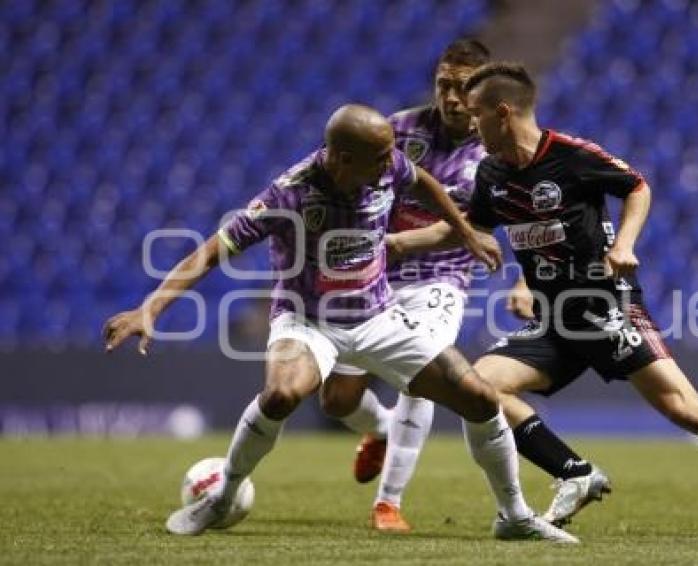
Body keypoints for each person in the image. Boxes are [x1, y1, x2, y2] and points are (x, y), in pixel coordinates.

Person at [389, 63, 698, 543]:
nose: (469, 124)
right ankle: (575, 472)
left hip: (603, 305)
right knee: (481, 387)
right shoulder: (492, 173)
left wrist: (624, 244)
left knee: (687, 409)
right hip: (552, 317)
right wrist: (397, 244)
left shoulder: (573, 156)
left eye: (476, 114)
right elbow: (465, 226)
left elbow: (637, 186)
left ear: (503, 112)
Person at [102, 103, 576, 543]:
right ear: (343, 159)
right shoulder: (289, 194)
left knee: (477, 395)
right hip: (307, 320)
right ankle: (223, 496)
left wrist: (466, 231)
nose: (391, 163)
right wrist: (152, 307)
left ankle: (514, 515)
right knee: (282, 394)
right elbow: (210, 251)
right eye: (379, 157)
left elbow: (423, 183)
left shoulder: (384, 162)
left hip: (378, 315)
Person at [317, 39, 505, 533]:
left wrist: (396, 244)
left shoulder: (494, 154)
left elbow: (457, 227)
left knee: (419, 370)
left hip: (440, 278)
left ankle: (388, 503)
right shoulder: (397, 130)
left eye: (464, 87)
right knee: (335, 400)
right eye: (444, 84)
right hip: (374, 278)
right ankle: (380, 430)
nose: (452, 97)